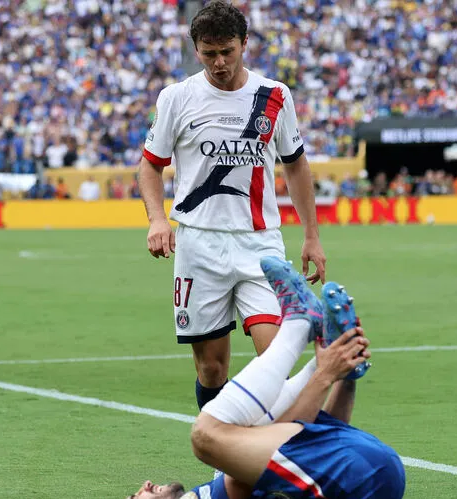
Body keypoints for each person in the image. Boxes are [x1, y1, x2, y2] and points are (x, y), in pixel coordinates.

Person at [37, 258, 400, 499]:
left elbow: (303, 443)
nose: (145, 485)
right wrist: (322, 375)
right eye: (135, 496)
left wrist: (341, 377)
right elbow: (281, 440)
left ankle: (331, 350)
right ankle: (299, 326)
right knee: (208, 438)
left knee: (246, 445)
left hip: (368, 489)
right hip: (360, 488)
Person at [138, 1, 327, 411]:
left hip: (260, 244)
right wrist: (156, 219)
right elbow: (150, 167)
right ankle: (224, 458)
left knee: (274, 358)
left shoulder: (275, 96)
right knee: (211, 370)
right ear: (196, 50)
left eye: (227, 51)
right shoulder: (177, 97)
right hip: (198, 246)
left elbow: (296, 168)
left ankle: (276, 456)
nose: (219, 62)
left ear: (244, 43)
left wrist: (311, 236)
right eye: (209, 53)